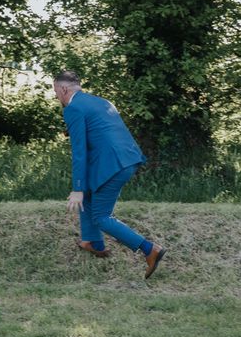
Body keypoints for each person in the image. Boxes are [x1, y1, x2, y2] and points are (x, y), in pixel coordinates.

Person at [53, 70, 166, 279]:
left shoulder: (73, 108)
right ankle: (92, 242)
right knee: (88, 194)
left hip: (111, 164)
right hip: (126, 159)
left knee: (101, 216)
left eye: (56, 92)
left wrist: (76, 188)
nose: (57, 97)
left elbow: (79, 152)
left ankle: (149, 249)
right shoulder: (101, 102)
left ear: (64, 89)